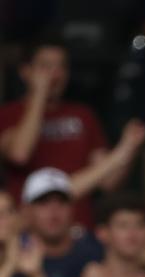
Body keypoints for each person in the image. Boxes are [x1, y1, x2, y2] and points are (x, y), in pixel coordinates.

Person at [0, 36, 137, 227]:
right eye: (46, 66)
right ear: (26, 72)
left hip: (78, 228)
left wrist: (129, 148)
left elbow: (109, 182)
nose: (55, 74)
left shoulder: (83, 115)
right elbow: (19, 154)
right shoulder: (8, 113)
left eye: (61, 67)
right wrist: (39, 94)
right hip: (27, 229)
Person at [16, 168, 104, 277]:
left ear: (72, 208)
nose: (53, 211)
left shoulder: (90, 248)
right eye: (43, 202)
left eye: (62, 202)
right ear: (26, 210)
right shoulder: (14, 251)